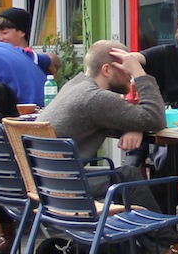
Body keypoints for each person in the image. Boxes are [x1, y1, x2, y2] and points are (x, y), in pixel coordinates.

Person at [38, 40, 168, 164]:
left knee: (128, 174)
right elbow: (156, 118)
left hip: (48, 180)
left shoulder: (74, 85)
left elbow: (125, 118)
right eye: (126, 68)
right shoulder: (96, 98)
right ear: (106, 70)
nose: (130, 75)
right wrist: (139, 73)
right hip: (69, 183)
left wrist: (137, 126)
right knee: (130, 176)